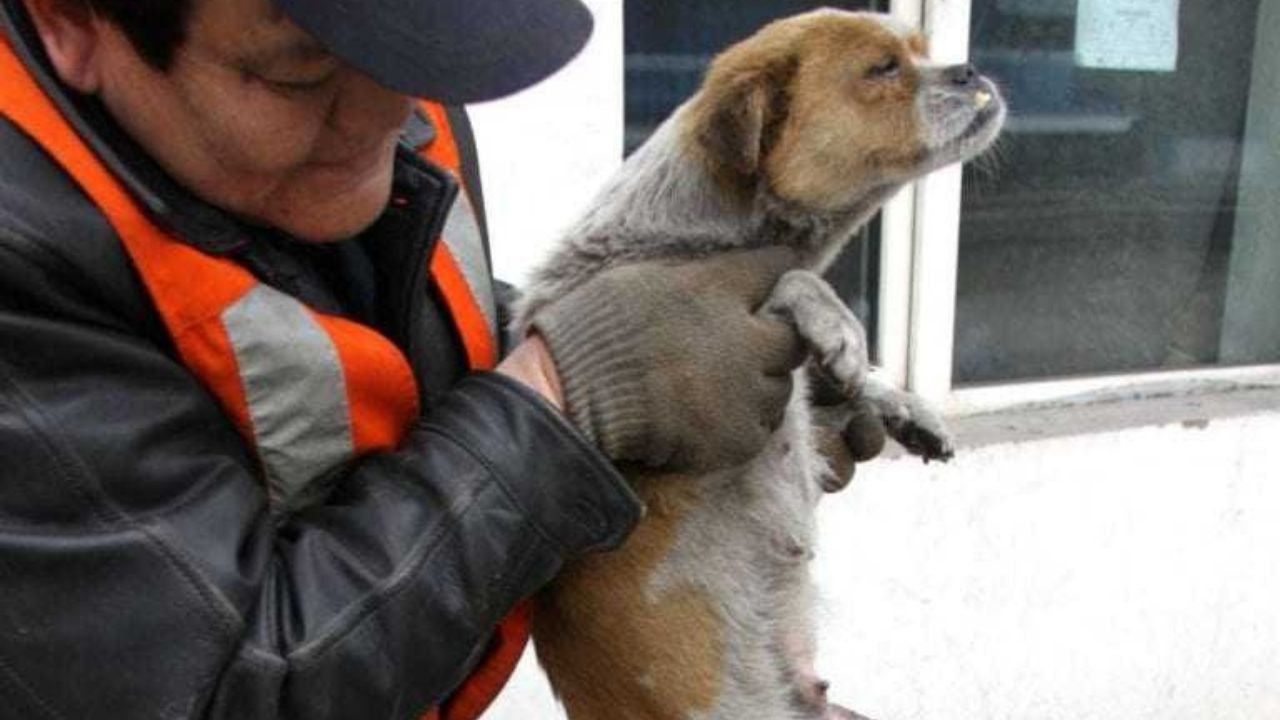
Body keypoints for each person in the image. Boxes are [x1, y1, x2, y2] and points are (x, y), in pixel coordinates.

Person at [0, 0, 816, 718]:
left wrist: (664, 371)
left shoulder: (378, 92)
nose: (387, 116)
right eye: (299, 74)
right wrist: (560, 391)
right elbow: (219, 689)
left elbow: (366, 347)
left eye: (410, 49)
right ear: (73, 19)